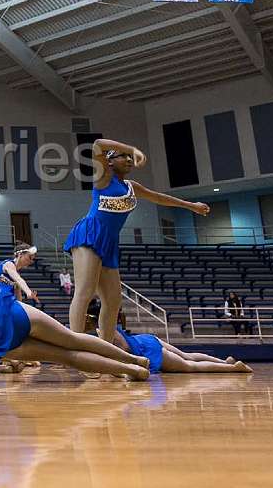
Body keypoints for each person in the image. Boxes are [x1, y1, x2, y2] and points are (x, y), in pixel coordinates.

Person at [0, 234, 151, 382]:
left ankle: (129, 370)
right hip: (10, 308)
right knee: (74, 339)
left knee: (67, 356)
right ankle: (135, 359)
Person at [65, 139, 210, 343]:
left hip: (110, 242)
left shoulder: (132, 187)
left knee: (113, 301)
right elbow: (98, 144)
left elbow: (159, 198)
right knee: (84, 291)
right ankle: (76, 348)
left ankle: (106, 351)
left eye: (129, 157)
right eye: (122, 156)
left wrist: (191, 206)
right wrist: (132, 148)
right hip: (90, 234)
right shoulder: (103, 178)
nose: (128, 159)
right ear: (110, 162)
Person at [113, 326, 252, 373]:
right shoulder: (110, 320)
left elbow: (125, 347)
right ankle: (224, 362)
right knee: (187, 355)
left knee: (190, 366)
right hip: (145, 339)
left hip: (145, 350)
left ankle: (233, 368)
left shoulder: (103, 329)